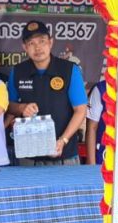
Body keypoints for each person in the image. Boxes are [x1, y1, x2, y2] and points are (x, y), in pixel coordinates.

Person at [6, 20, 87, 166]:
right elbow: (9, 106)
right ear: (24, 47)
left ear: (51, 42)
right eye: (31, 43)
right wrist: (21, 108)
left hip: (64, 155)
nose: (37, 48)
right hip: (29, 156)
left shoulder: (69, 70)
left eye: (42, 41)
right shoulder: (18, 71)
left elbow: (80, 110)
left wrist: (63, 140)